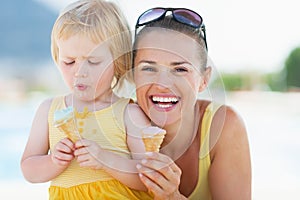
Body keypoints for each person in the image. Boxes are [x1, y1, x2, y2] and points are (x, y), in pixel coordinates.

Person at [20, 1, 155, 199]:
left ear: (117, 61)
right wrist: (53, 161)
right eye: (69, 62)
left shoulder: (128, 113)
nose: (79, 72)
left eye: (93, 62)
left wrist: (105, 159)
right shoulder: (49, 110)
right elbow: (28, 169)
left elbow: (147, 178)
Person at [130, 7, 252, 199]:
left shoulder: (223, 126)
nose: (162, 84)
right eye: (149, 68)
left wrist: (173, 197)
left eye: (180, 70)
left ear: (204, 79)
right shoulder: (114, 124)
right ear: (132, 75)